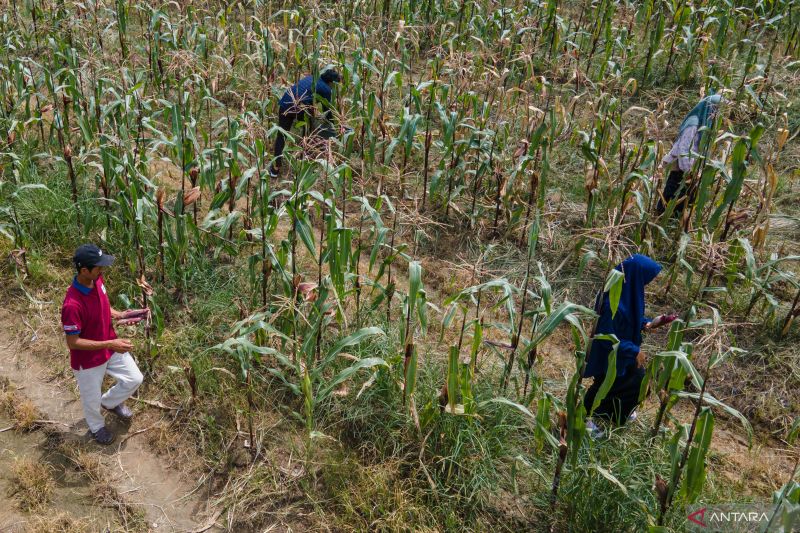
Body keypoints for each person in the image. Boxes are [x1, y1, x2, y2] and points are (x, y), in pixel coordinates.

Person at [61, 244, 147, 445]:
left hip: (108, 345)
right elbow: (73, 342)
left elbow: (103, 303)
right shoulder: (72, 305)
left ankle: (110, 402)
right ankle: (96, 427)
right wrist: (110, 343)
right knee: (91, 400)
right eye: (99, 267)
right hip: (87, 359)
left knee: (134, 378)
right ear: (84, 271)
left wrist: (120, 315)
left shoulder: (96, 279)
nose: (102, 270)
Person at [583, 254, 668, 435]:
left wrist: (647, 324)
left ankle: (614, 412)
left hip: (622, 351)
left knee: (639, 382)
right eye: (645, 279)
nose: (646, 284)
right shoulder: (611, 301)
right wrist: (634, 351)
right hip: (609, 353)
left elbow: (628, 319)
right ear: (635, 277)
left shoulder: (626, 292)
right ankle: (584, 417)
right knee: (606, 383)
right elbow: (605, 335)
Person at [656, 93, 722, 214]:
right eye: (715, 110)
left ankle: (676, 222)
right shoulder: (694, 123)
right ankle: (661, 219)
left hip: (692, 170)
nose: (715, 115)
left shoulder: (704, 123)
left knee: (686, 199)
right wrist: (690, 171)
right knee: (672, 196)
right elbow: (684, 150)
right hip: (682, 168)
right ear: (709, 108)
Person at [271, 68, 342, 174]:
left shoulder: (312, 78)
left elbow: (307, 95)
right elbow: (328, 111)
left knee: (281, 135)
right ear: (331, 82)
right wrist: (334, 127)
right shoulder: (327, 89)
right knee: (308, 131)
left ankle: (275, 168)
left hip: (285, 103)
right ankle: (303, 158)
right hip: (298, 107)